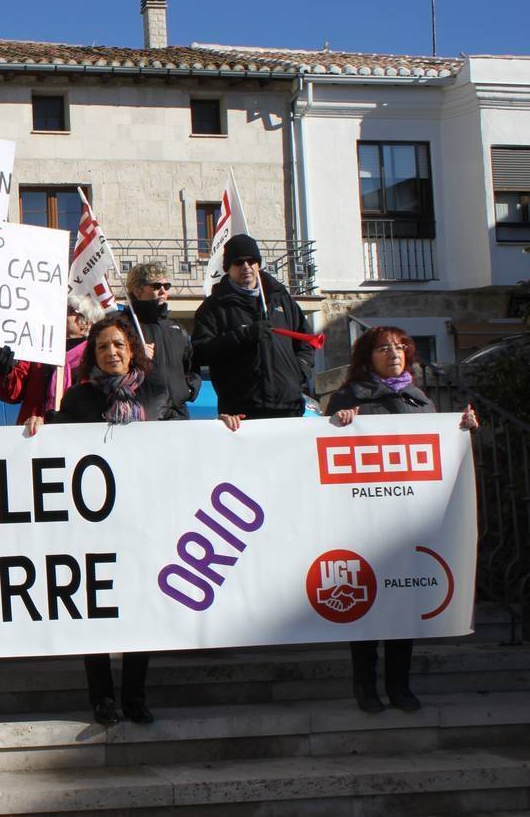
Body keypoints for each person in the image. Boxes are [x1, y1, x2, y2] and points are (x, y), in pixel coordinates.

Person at [326, 326, 478, 713]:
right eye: (383, 348)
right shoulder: (349, 399)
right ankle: (365, 687)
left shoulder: (419, 401)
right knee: (365, 609)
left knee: (403, 607)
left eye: (399, 347)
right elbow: (322, 449)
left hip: (405, 525)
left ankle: (400, 686)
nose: (393, 352)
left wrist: (461, 429)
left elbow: (439, 452)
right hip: (362, 523)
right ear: (367, 357)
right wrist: (338, 423)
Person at [25, 315, 167, 727]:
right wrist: (39, 424)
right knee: (97, 611)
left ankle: (136, 696)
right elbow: (59, 438)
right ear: (93, 353)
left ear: (132, 349)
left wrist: (226, 427)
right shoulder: (79, 398)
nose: (112, 353)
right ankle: (103, 698)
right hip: (95, 524)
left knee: (139, 610)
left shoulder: (157, 394)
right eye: (103, 347)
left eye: (119, 345)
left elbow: (183, 440)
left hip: (142, 519)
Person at [193, 234, 313, 429]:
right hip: (242, 413)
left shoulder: (281, 299)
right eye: (239, 262)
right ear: (228, 268)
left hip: (288, 408)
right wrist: (243, 336)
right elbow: (200, 351)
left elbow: (305, 340)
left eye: (252, 261)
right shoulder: (214, 307)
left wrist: (299, 371)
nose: (246, 267)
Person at [0, 295, 104, 424]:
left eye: (70, 310)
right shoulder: (40, 349)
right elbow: (12, 394)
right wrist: (2, 372)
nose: (62, 313)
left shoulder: (95, 356)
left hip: (74, 433)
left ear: (86, 323)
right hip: (33, 429)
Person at [126, 262, 200, 419]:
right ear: (137, 290)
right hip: (143, 415)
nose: (163, 290)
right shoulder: (123, 327)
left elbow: (192, 365)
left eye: (167, 286)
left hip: (178, 413)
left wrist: (189, 389)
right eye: (156, 285)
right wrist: (134, 354)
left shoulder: (177, 329)